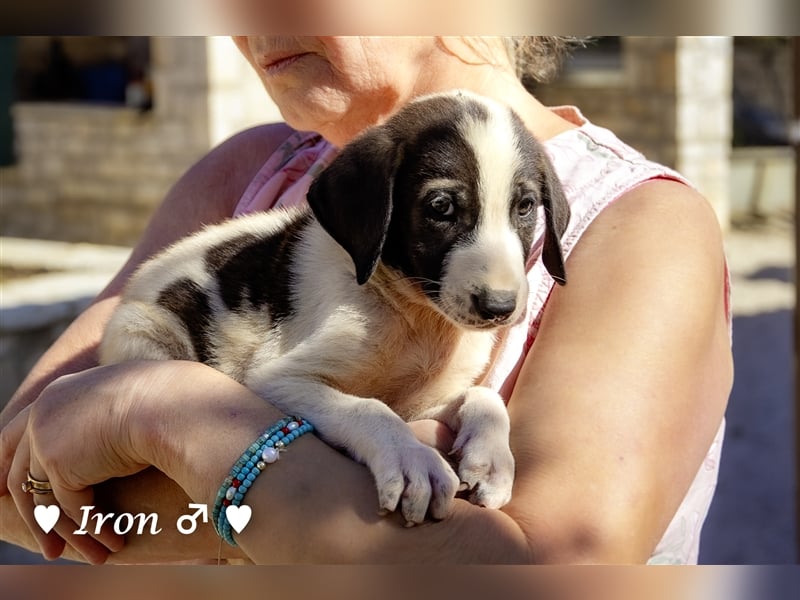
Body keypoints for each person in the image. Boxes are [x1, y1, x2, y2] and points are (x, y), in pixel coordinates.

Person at [0, 36, 733, 564]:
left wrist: (152, 415)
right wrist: (341, 494)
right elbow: (19, 492)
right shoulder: (247, 174)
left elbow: (540, 577)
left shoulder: (639, 228)